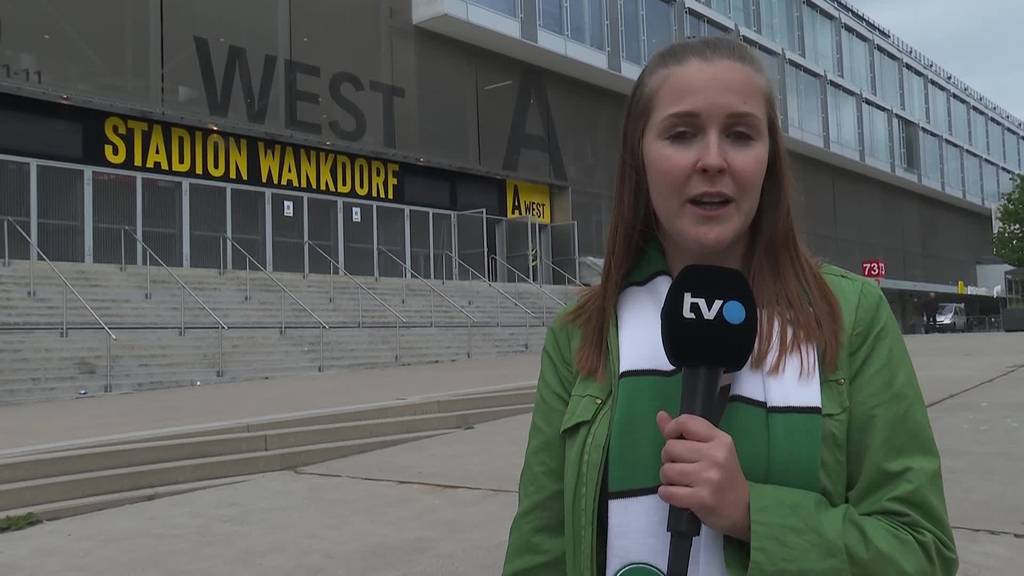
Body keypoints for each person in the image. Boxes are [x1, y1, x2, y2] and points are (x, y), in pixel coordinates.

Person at [502, 38, 957, 576]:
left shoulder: (851, 316)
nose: (712, 160)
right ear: (639, 155)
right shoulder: (581, 334)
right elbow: (541, 553)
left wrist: (753, 514)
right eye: (682, 133)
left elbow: (920, 550)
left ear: (769, 158)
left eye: (740, 135)